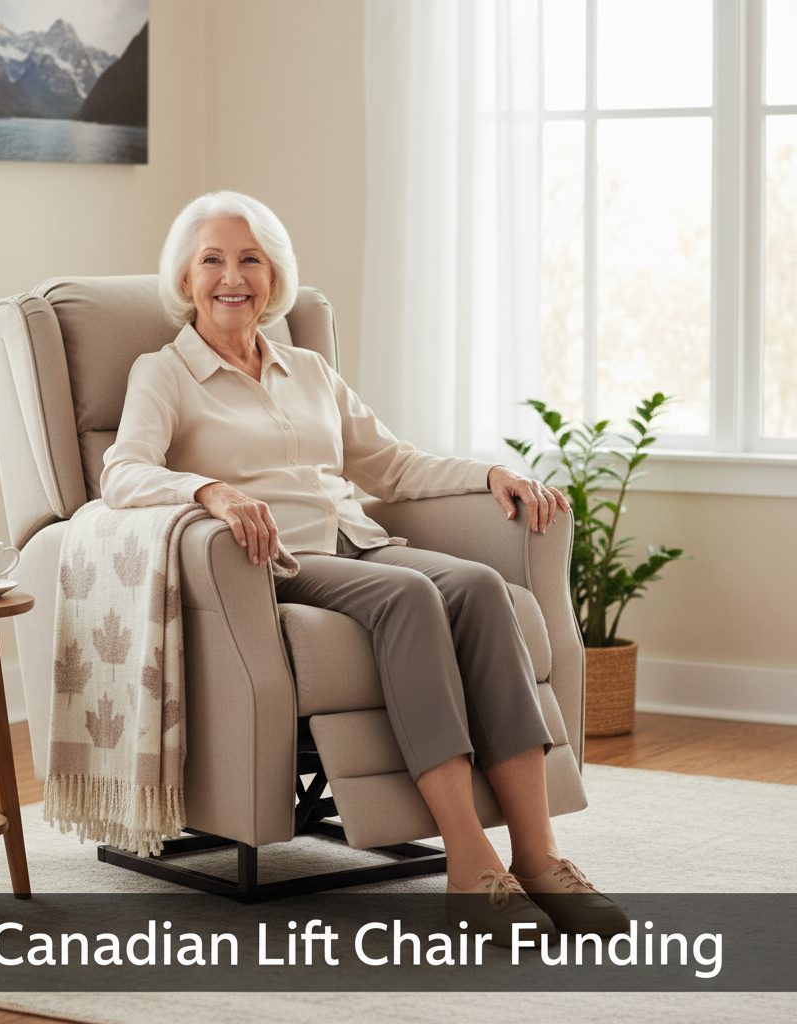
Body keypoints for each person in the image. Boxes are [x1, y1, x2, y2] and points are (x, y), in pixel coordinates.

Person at [101, 190, 626, 944]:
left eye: (250, 258)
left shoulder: (308, 368)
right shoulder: (164, 373)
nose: (232, 276)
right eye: (211, 259)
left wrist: (488, 477)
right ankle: (470, 864)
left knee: (484, 588)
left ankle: (538, 857)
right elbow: (122, 474)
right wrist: (208, 491)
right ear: (185, 280)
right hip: (277, 563)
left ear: (274, 277)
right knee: (410, 595)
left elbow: (390, 464)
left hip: (355, 542)